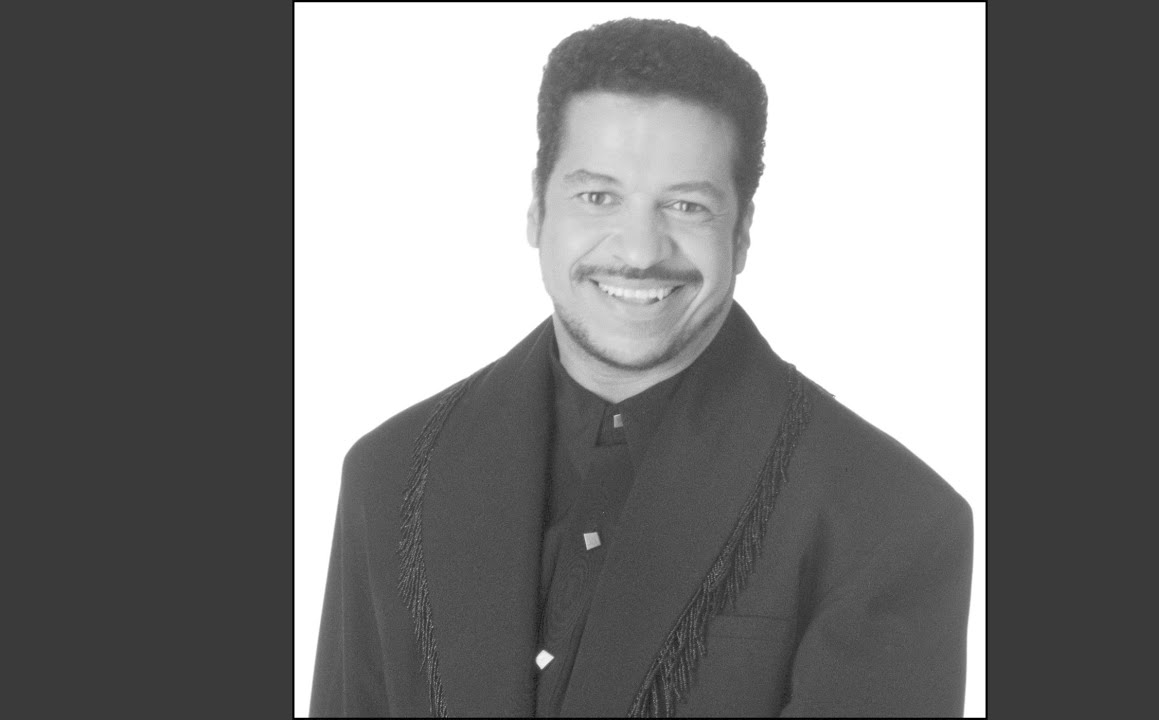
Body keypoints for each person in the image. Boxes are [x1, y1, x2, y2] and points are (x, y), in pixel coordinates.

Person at [310, 17, 972, 718]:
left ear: (742, 233)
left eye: (686, 206)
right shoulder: (389, 475)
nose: (639, 250)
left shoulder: (891, 521)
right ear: (536, 209)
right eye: (598, 196)